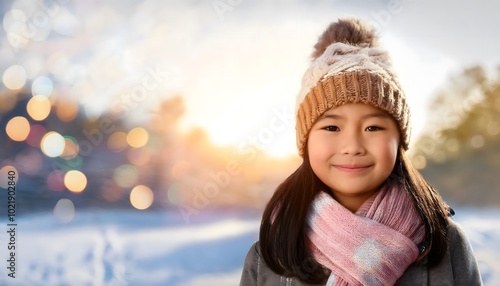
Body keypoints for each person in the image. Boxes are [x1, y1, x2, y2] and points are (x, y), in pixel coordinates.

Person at [239, 17, 483, 286]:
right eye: (332, 127)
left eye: (373, 127)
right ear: (305, 141)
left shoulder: (444, 246)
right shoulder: (270, 255)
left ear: (399, 140)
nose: (353, 146)